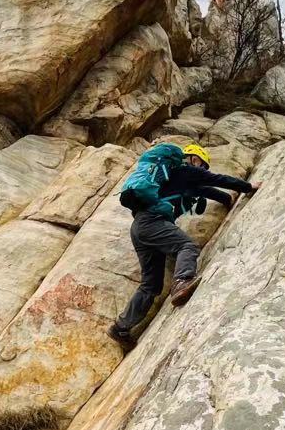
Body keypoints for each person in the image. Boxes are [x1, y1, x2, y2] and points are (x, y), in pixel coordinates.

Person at [108, 143, 253, 349]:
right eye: (202, 165)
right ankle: (182, 281)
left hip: (139, 228)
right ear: (195, 159)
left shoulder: (177, 179)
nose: (202, 170)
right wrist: (248, 187)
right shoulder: (185, 171)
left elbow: (210, 191)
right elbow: (217, 180)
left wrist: (227, 199)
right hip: (154, 222)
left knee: (151, 285)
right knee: (187, 246)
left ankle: (121, 328)